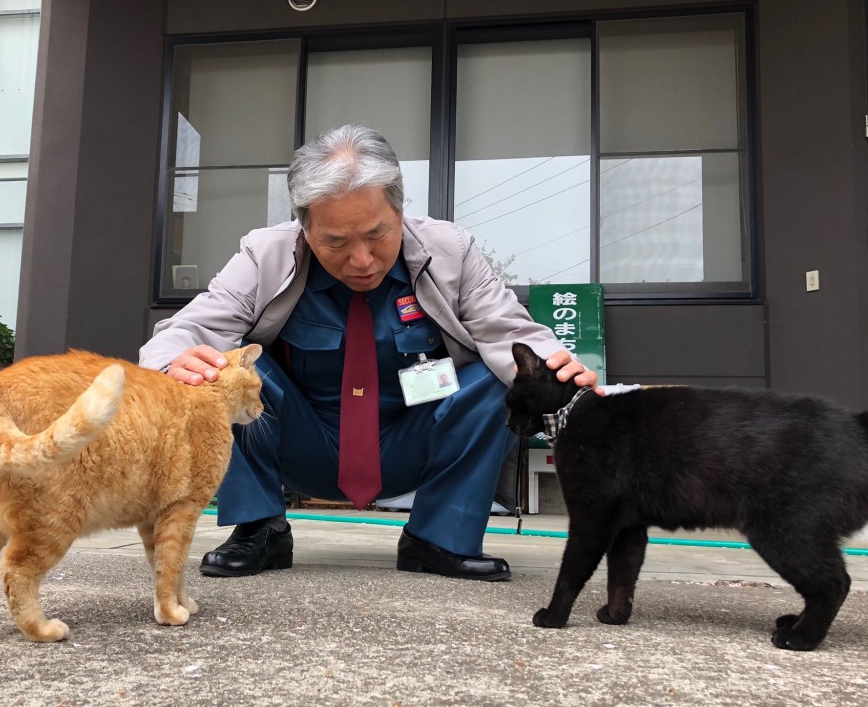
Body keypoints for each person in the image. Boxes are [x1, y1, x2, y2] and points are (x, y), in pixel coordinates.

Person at [139, 124, 599, 582]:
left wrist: (558, 376)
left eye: (377, 235)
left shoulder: (451, 251)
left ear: (399, 211)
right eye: (336, 242)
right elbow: (186, 330)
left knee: (502, 378)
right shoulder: (266, 254)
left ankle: (440, 538)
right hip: (300, 441)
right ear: (304, 227)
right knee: (220, 367)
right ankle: (260, 528)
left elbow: (510, 330)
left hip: (414, 439)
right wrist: (173, 365)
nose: (362, 260)